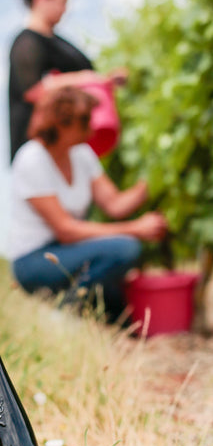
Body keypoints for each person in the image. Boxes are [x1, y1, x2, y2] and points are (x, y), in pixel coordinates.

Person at [9, 86, 167, 322]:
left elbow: (115, 204)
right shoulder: (31, 159)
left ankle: (77, 309)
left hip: (70, 253)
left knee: (119, 308)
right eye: (85, 121)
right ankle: (64, 314)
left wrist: (156, 180)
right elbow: (66, 230)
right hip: (35, 260)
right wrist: (135, 229)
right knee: (125, 249)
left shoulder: (81, 154)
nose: (92, 127)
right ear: (63, 124)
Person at [8, 0, 127, 162]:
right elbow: (33, 91)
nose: (65, 9)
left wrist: (103, 80)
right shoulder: (26, 43)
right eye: (62, 1)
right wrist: (83, 79)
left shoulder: (59, 43)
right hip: (45, 147)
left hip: (71, 145)